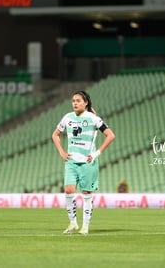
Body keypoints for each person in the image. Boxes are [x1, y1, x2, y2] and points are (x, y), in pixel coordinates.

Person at [52, 90, 115, 235]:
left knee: (86, 193)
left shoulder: (93, 118)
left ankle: (85, 226)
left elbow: (110, 135)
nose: (75, 103)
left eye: (78, 100)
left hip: (88, 162)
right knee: (68, 190)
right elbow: (55, 135)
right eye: (73, 100)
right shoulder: (67, 117)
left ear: (85, 103)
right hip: (71, 161)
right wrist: (61, 151)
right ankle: (73, 223)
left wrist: (96, 153)